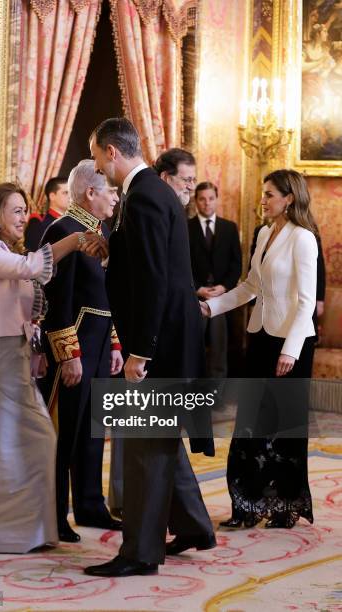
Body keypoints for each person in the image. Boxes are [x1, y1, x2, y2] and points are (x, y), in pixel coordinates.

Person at [0, 183, 105, 553]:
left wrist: (37, 351)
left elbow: (29, 312)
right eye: (15, 210)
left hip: (15, 360)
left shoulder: (10, 253)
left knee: (35, 440)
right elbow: (32, 267)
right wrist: (75, 240)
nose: (22, 217)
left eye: (24, 209)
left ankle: (28, 530)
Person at [84, 117, 215, 578]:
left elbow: (156, 280)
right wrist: (110, 249)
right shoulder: (150, 195)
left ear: (113, 152)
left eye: (99, 158)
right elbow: (144, 265)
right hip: (170, 338)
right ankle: (196, 526)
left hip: (157, 342)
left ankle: (139, 553)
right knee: (157, 441)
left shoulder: (143, 197)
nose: (100, 168)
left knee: (144, 444)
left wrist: (140, 350)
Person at [201, 169, 318, 529]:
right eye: (263, 193)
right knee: (249, 424)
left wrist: (291, 350)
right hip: (260, 336)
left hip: (291, 342)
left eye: (269, 194)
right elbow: (250, 286)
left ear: (289, 199)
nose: (263, 200)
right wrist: (212, 307)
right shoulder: (264, 233)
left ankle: (283, 507)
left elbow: (306, 302)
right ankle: (247, 507)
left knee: (284, 428)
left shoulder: (303, 239)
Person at [40, 161, 123, 542]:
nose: (116, 196)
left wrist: (115, 345)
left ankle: (90, 505)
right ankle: (55, 516)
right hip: (73, 346)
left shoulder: (102, 229)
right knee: (64, 433)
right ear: (91, 193)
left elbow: (108, 294)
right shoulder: (63, 231)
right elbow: (57, 299)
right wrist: (67, 352)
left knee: (93, 431)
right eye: (111, 190)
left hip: (101, 343)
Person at [189, 181, 242, 378]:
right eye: (202, 199)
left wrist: (224, 287)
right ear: (196, 201)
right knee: (194, 345)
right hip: (196, 296)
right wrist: (196, 289)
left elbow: (236, 264)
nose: (207, 203)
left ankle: (216, 393)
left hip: (221, 297)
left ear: (216, 200)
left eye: (211, 198)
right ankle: (192, 392)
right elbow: (182, 265)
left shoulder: (229, 228)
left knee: (220, 346)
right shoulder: (186, 227)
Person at [24, 176, 69, 251]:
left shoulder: (76, 221)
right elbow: (33, 252)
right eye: (66, 193)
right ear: (52, 196)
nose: (71, 197)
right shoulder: (39, 221)